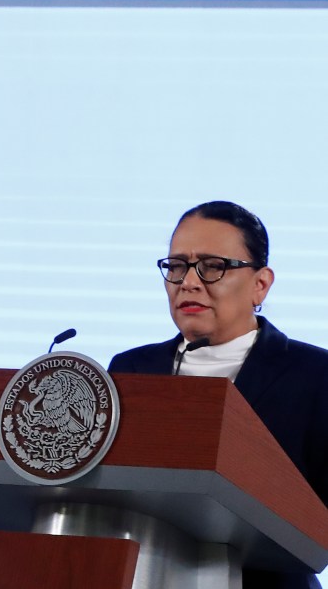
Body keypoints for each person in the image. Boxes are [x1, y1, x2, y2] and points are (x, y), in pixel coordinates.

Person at [109, 200, 328, 589]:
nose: (188, 282)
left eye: (212, 266)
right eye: (177, 266)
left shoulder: (315, 375)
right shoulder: (131, 370)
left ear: (260, 284)